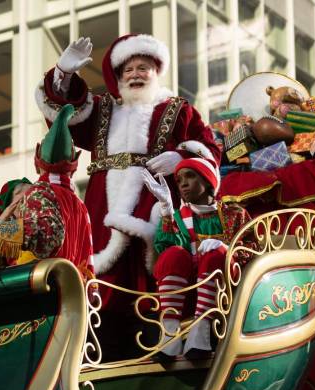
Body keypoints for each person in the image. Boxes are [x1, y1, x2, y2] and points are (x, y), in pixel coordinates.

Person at [37, 34, 220, 356]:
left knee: (155, 265)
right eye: (129, 69)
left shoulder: (178, 110)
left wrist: (181, 158)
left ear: (156, 72)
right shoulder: (103, 109)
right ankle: (99, 342)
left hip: (154, 199)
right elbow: (64, 115)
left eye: (143, 68)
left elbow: (210, 151)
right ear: (119, 77)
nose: (136, 74)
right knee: (99, 277)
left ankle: (165, 334)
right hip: (102, 205)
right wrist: (63, 74)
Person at [0, 104, 94, 280]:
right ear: (74, 166)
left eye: (27, 193)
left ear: (37, 162)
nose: (24, 198)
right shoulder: (78, 205)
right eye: (18, 194)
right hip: (71, 289)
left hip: (49, 289)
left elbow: (47, 232)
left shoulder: (42, 192)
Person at [152, 156, 252, 360]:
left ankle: (201, 334)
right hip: (186, 292)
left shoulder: (235, 213)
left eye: (190, 176)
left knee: (214, 256)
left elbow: (253, 250)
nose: (183, 184)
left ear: (207, 182)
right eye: (179, 180)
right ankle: (169, 335)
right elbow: (166, 252)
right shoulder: (177, 217)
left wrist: (226, 249)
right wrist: (166, 212)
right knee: (173, 254)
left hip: (227, 291)